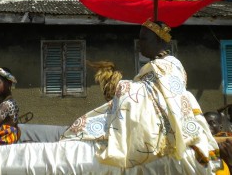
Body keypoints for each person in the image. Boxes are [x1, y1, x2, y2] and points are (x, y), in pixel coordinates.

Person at [61, 20, 222, 174]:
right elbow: (145, 93)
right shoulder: (153, 67)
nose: (139, 43)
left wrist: (122, 87)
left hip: (161, 123)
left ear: (159, 39)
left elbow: (155, 96)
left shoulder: (168, 66)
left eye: (144, 38)